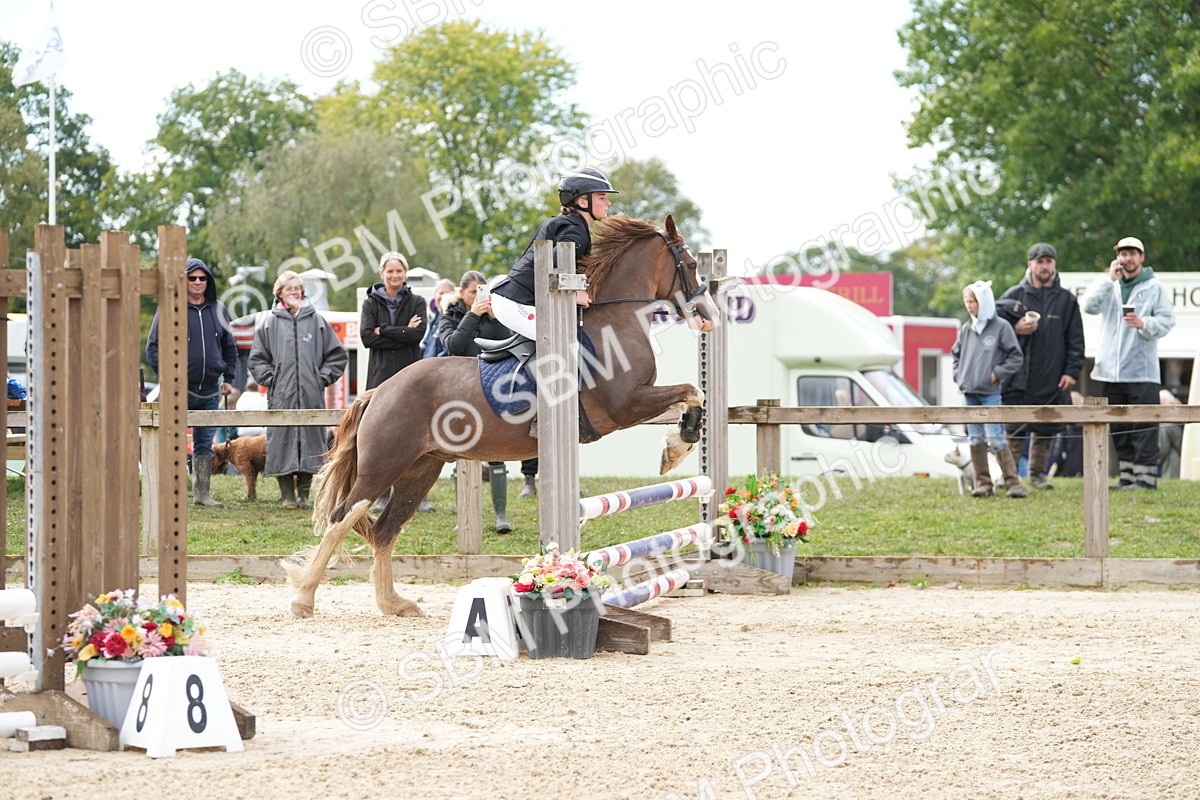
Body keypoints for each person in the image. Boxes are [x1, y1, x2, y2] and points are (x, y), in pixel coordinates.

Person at [439, 270, 539, 533]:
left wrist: (496, 318)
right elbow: (454, 345)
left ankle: (500, 514)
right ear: (462, 294)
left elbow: (510, 344)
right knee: (461, 455)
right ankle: (466, 517)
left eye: (483, 292)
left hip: (491, 390)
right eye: (473, 292)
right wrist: (473, 315)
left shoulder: (496, 316)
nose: (478, 297)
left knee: (496, 454)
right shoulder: (450, 317)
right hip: (459, 392)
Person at [1081, 236, 1176, 490]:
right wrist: (1107, 279)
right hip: (1109, 371)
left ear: (1141, 257)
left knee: (1143, 424)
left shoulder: (1154, 286)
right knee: (1119, 426)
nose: (1127, 258)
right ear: (1117, 257)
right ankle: (1127, 477)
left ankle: (1146, 479)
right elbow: (1088, 306)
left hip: (1141, 371)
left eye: (1132, 253)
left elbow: (1167, 321)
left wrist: (1145, 324)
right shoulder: (1108, 283)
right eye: (1123, 253)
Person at [248, 270, 348, 509]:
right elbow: (256, 359)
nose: (294, 292)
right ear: (279, 293)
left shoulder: (317, 321)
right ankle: (287, 497)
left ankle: (304, 496)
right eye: (288, 288)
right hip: (280, 396)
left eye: (297, 288)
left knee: (312, 441)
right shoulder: (269, 323)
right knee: (281, 440)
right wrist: (271, 378)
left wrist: (320, 378)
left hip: (311, 395)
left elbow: (337, 355)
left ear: (302, 292)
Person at [146, 257, 239, 508]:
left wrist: (228, 378)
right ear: (183, 281)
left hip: (210, 389)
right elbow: (153, 349)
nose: (198, 282)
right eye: (192, 278)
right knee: (172, 439)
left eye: (202, 278)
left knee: (204, 443)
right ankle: (170, 492)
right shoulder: (169, 309)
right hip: (178, 389)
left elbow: (229, 348)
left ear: (208, 281)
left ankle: (202, 494)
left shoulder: (218, 309)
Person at [995, 242, 1085, 489]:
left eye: (1048, 261)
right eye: (1039, 261)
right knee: (1014, 429)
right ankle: (1009, 477)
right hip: (1018, 376)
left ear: (1054, 264)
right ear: (1030, 264)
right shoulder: (1013, 296)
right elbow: (992, 333)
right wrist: (1016, 329)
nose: (1044, 266)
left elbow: (1076, 340)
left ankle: (1037, 475)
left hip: (1053, 377)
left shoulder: (1067, 300)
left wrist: (1071, 372)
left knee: (1046, 428)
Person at [489, 167, 617, 340]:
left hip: (521, 300)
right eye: (602, 197)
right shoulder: (576, 233)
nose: (608, 202)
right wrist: (572, 295)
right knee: (560, 339)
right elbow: (543, 273)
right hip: (515, 303)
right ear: (583, 202)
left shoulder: (574, 227)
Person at [359, 251, 431, 513]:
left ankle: (416, 495)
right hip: (379, 377)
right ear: (382, 274)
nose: (394, 275)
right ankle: (381, 493)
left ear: (405, 273)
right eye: (390, 271)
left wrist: (385, 330)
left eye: (399, 271)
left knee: (416, 435)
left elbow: (417, 336)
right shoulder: (370, 304)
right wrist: (402, 329)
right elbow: (367, 338)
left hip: (411, 376)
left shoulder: (418, 301)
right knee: (381, 437)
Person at [951, 280, 1027, 498]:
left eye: (973, 301)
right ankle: (983, 484)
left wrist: (996, 373)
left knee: (996, 438)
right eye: (966, 301)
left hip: (990, 393)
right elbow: (955, 354)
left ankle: (1013, 483)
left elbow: (1015, 356)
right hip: (969, 392)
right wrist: (959, 375)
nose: (969, 306)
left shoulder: (1001, 327)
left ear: (983, 302)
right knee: (975, 438)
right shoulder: (967, 329)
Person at [421, 278, 455, 359]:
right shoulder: (433, 321)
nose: (444, 296)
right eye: (441, 293)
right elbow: (425, 345)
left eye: (448, 293)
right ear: (435, 296)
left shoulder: (456, 318)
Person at [1157, 388, 1185, 480]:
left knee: (1167, 429)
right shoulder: (1160, 395)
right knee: (1173, 453)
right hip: (1165, 445)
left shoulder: (1164, 394)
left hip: (1171, 436)